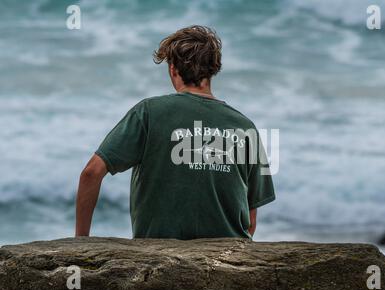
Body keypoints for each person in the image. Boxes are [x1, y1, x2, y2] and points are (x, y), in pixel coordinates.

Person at [75, 25, 275, 240]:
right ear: (214, 69)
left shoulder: (148, 113)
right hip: (225, 262)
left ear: (173, 69)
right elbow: (250, 222)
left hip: (157, 259)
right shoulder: (246, 127)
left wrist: (81, 241)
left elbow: (91, 173)